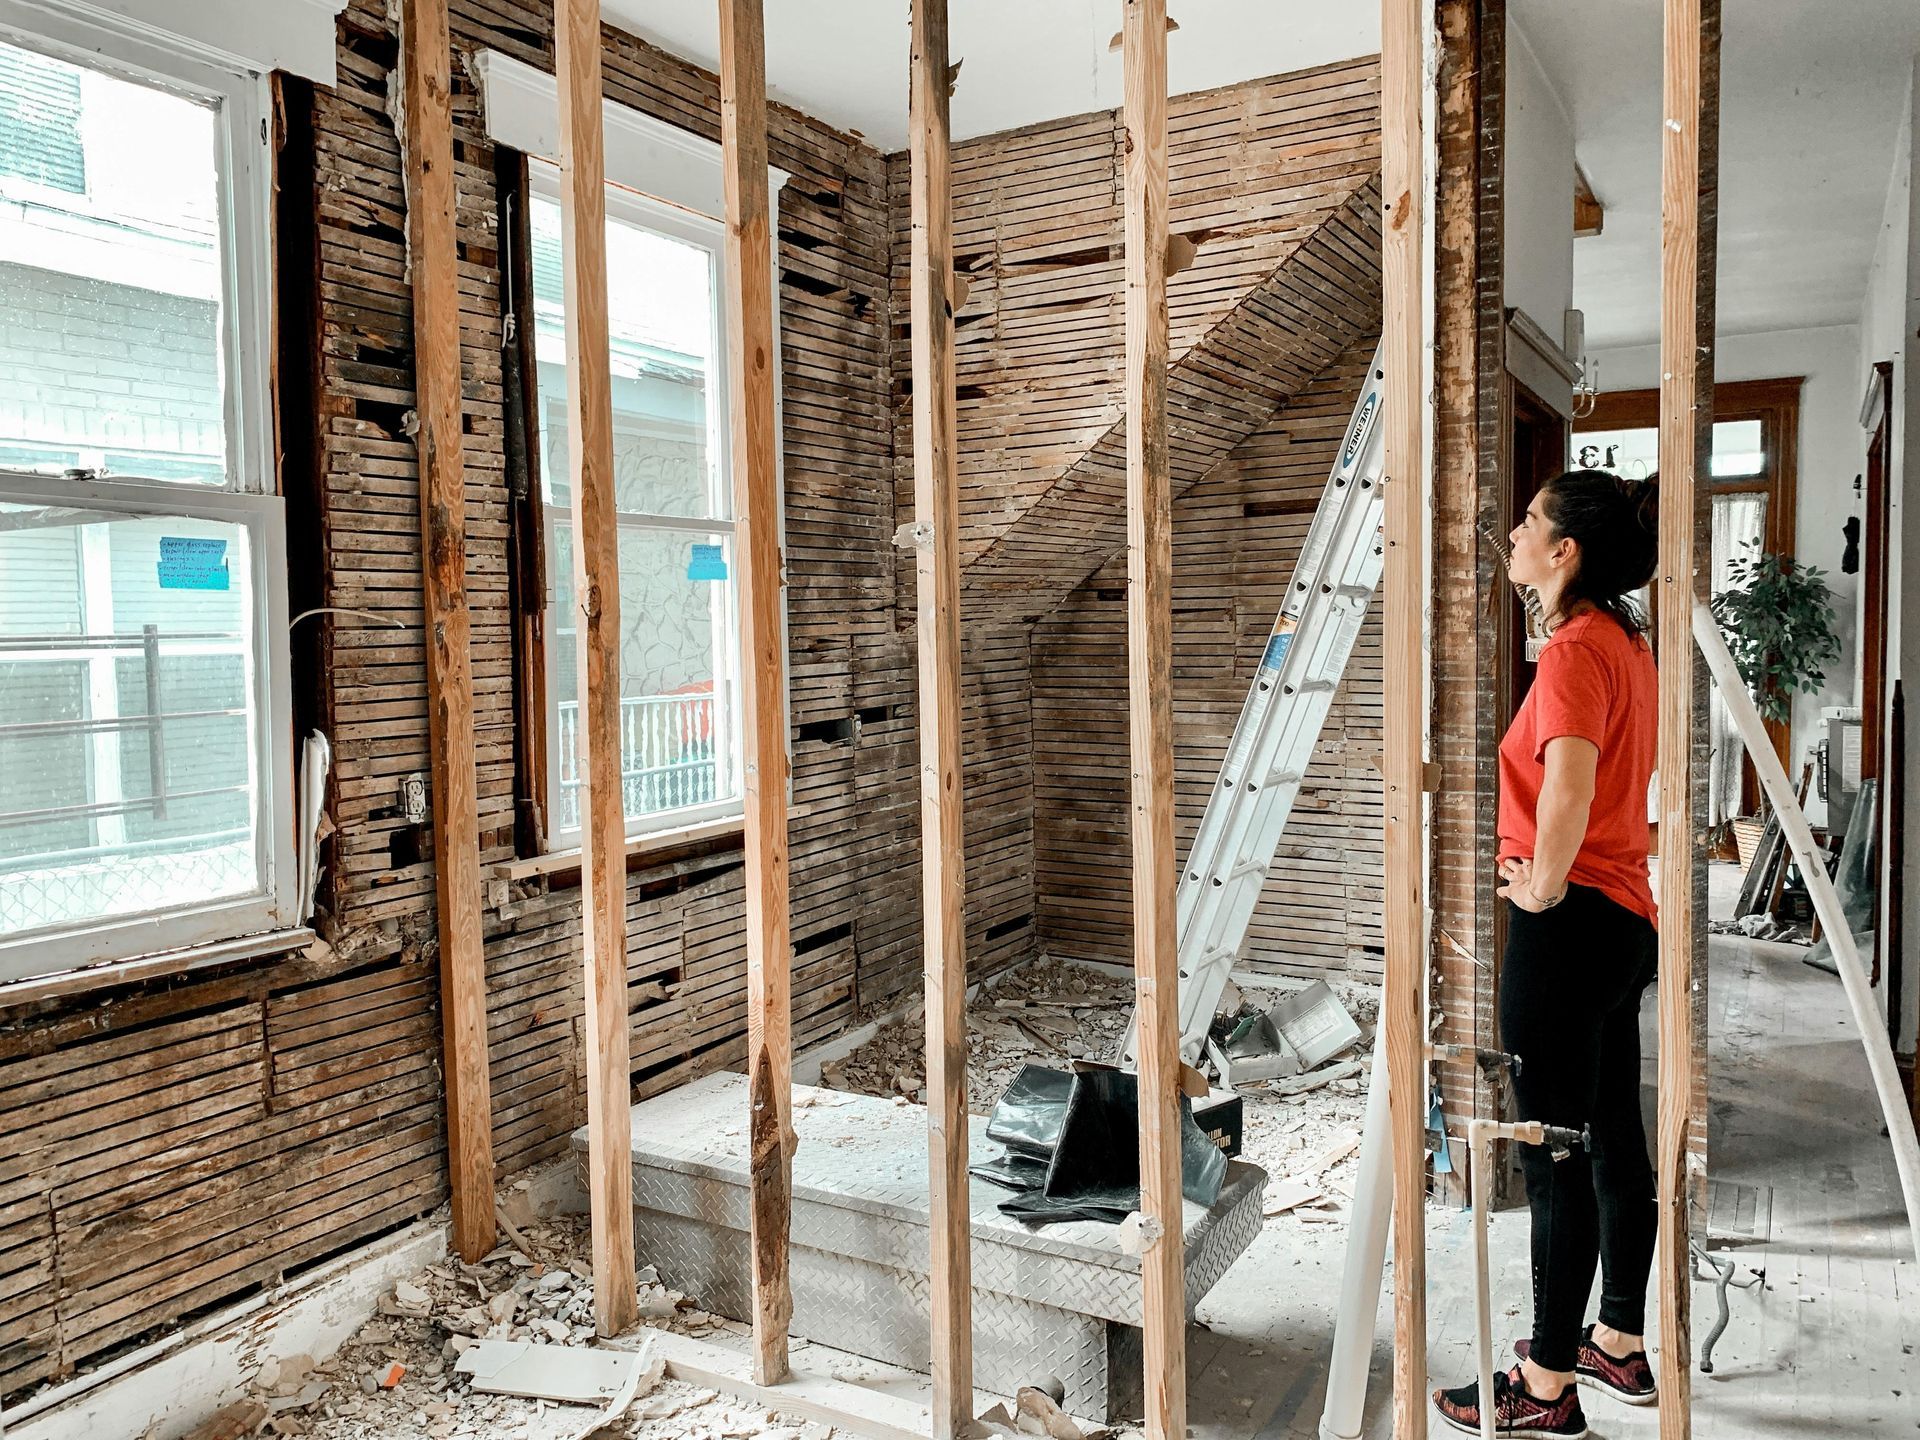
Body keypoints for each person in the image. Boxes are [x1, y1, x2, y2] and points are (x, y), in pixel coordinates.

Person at [1433, 469, 1663, 1439]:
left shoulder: (1574, 650)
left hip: (1568, 927)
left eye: (1530, 521)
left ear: (1563, 551)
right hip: (1625, 922)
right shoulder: (1625, 643)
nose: (1515, 533)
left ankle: (1549, 1381)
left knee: (1556, 1155)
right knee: (1610, 1140)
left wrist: (1538, 885)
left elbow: (1567, 787)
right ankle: (1616, 1341)